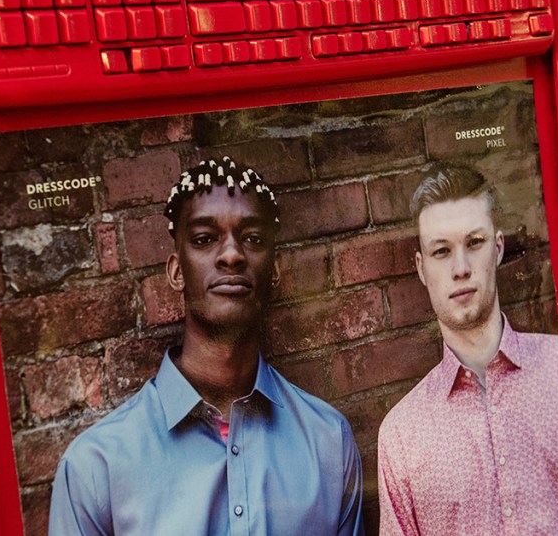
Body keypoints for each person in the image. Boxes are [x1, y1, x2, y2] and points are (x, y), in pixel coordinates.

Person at [50, 156, 364, 535]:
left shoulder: (328, 440)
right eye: (204, 239)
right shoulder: (96, 466)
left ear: (275, 270)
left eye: (252, 238)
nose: (231, 254)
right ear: (177, 270)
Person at [376, 165, 558, 535]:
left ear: (498, 248)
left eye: (474, 243)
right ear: (422, 269)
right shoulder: (402, 437)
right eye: (441, 251)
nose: (461, 268)